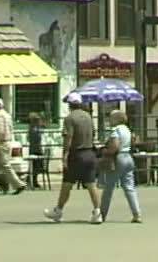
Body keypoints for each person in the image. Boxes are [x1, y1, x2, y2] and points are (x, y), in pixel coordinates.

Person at [44, 92, 102, 224]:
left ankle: (58, 210)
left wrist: (64, 155)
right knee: (91, 184)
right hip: (89, 152)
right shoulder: (88, 116)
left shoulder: (70, 118)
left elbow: (68, 137)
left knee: (67, 183)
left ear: (70, 104)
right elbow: (93, 133)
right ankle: (97, 212)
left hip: (76, 154)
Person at [99, 110, 142, 223]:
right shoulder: (127, 130)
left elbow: (115, 146)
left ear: (116, 119)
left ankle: (102, 214)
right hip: (128, 157)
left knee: (108, 187)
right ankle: (136, 213)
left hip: (118, 158)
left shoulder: (116, 130)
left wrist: (106, 151)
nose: (109, 120)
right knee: (129, 187)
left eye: (111, 117)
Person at [0, 98, 26, 195]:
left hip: (2, 142)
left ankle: (18, 184)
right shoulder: (7, 115)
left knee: (5, 165)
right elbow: (11, 128)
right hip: (8, 141)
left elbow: (1, 131)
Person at [27, 112, 44, 188]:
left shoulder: (36, 128)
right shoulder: (33, 128)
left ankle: (33, 180)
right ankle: (32, 180)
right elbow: (35, 138)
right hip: (35, 149)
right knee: (35, 165)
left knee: (37, 166)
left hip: (37, 148)